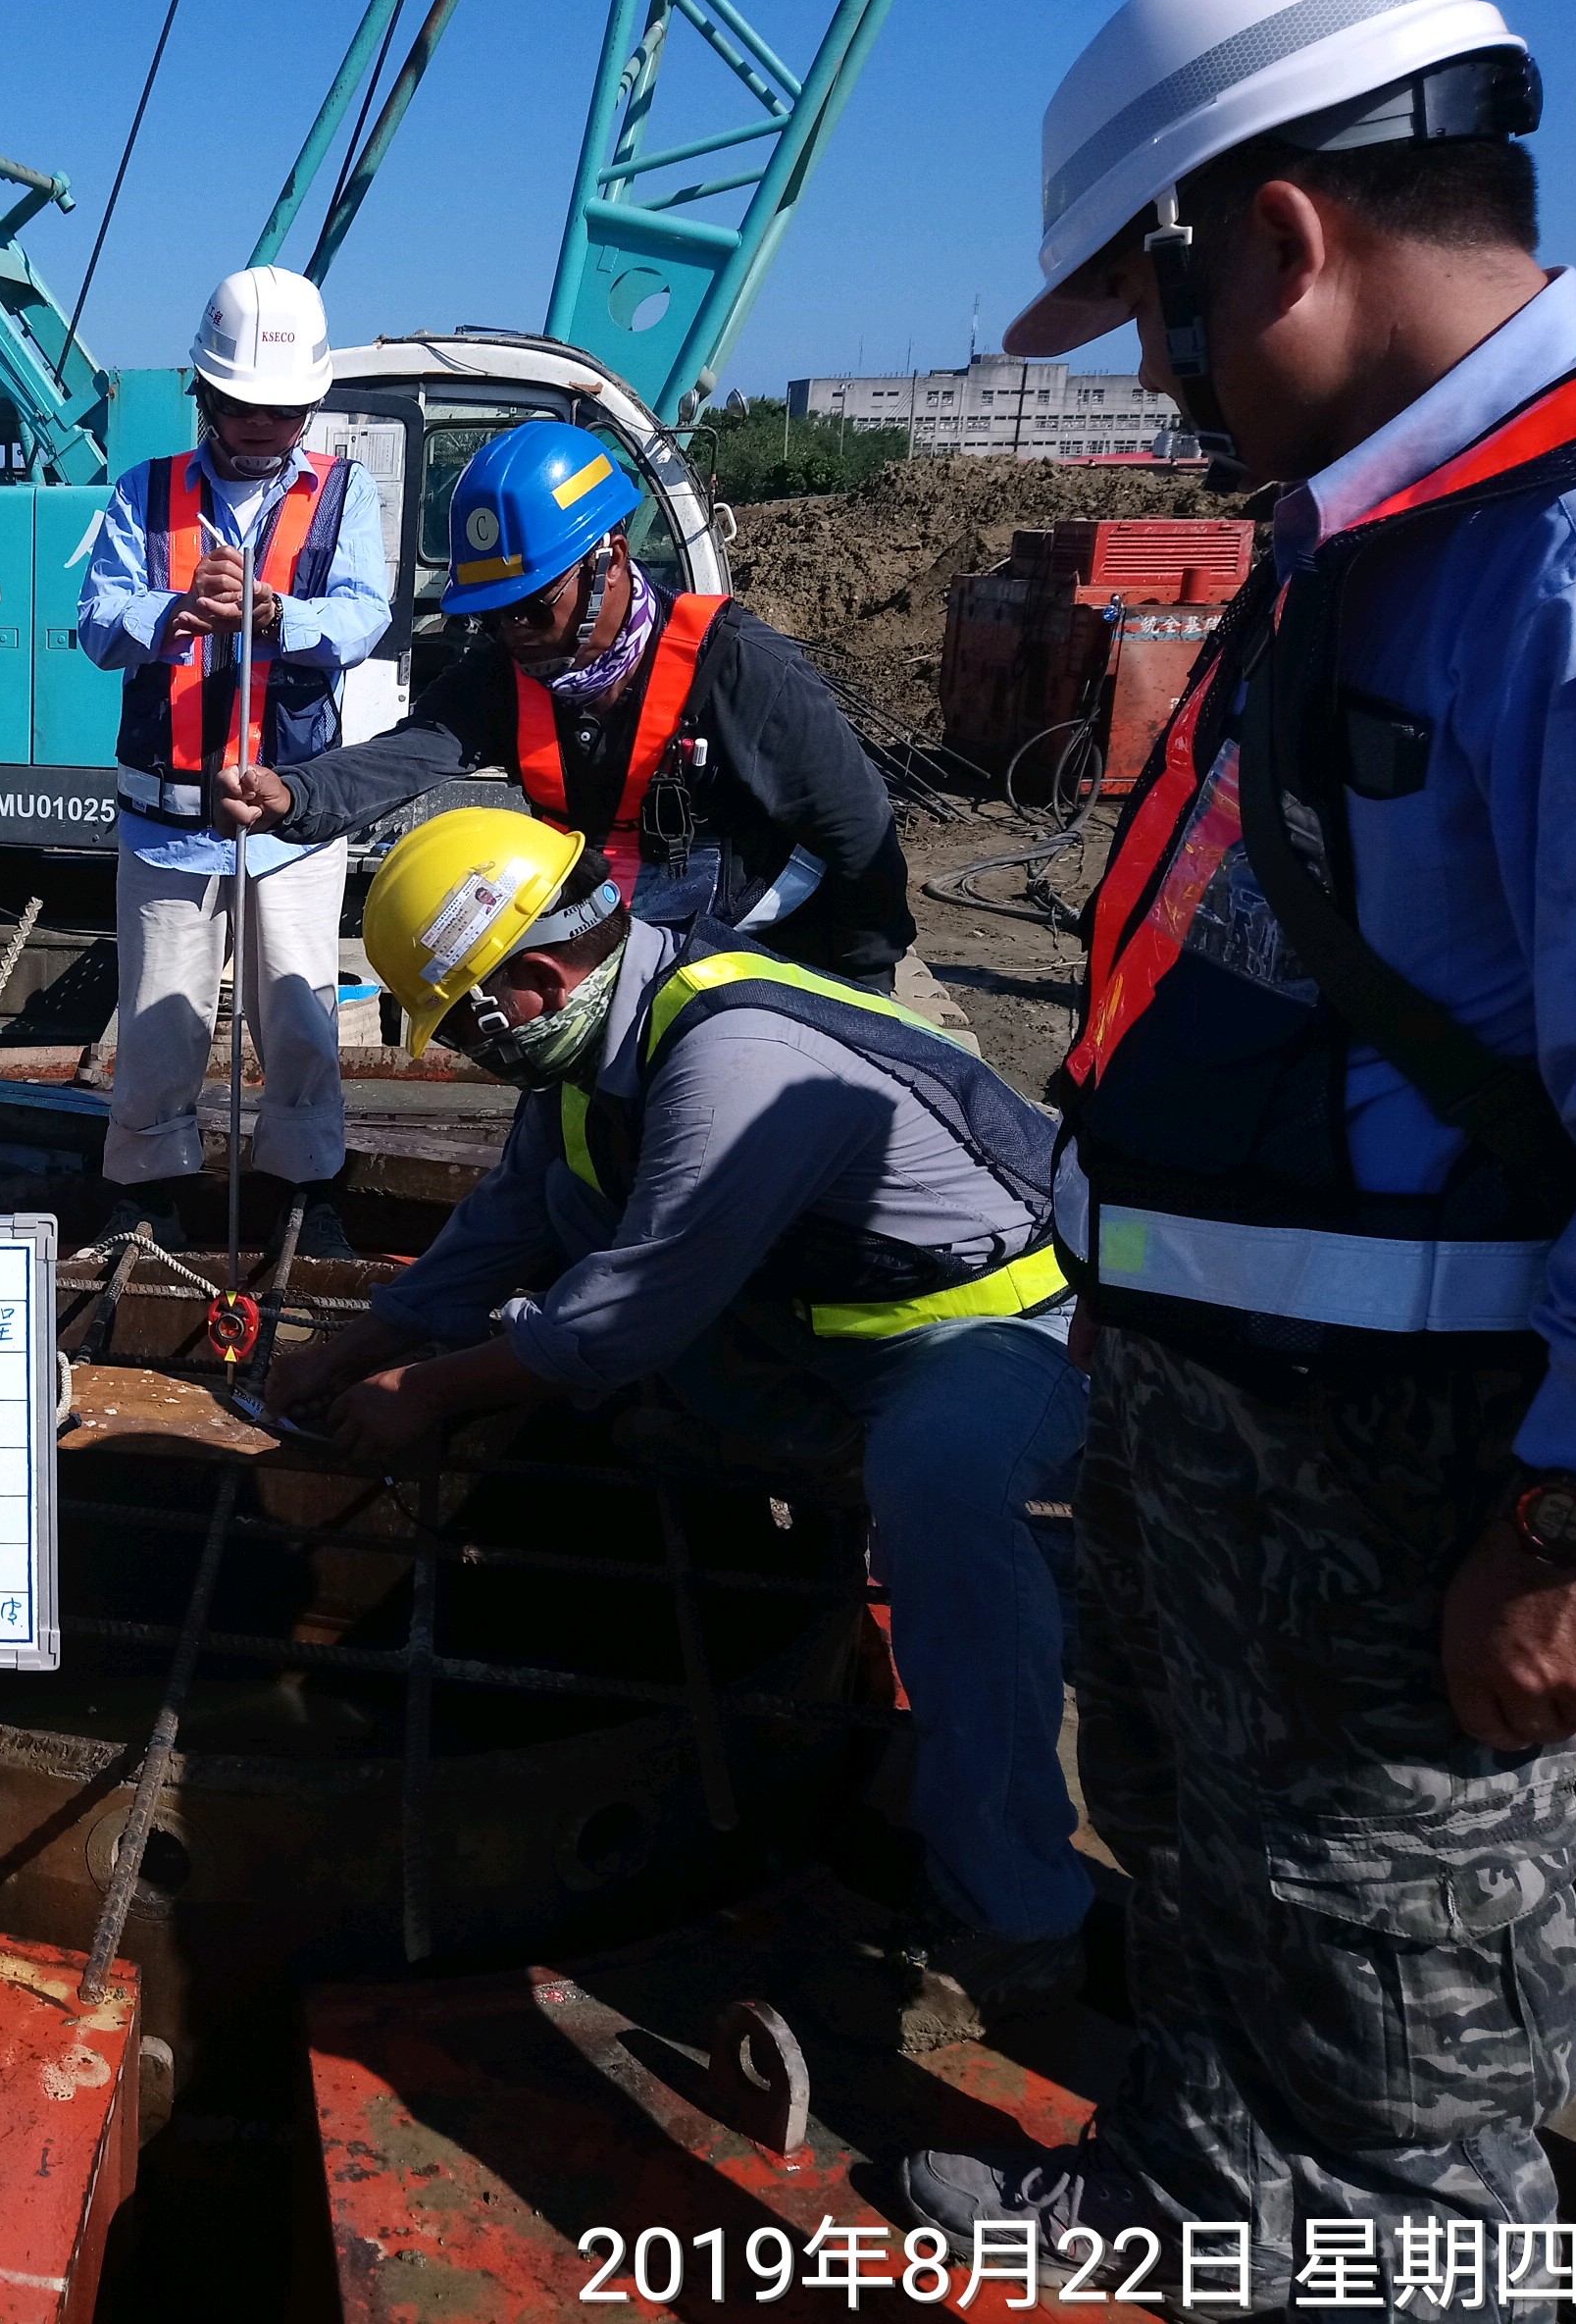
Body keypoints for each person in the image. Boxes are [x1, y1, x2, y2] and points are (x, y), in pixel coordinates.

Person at [894, 0, 1576, 2300]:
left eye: (1165, 312)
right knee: (1200, 1868)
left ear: (1278, 238)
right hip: (1227, 1416)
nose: (1171, 383)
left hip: (1432, 1467)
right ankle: (1193, 2206)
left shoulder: (1562, 565)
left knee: (1396, 2007)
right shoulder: (1365, 538)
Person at [268, 806, 1090, 2048]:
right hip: (819, 1320)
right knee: (576, 1258)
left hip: (998, 1330)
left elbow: (619, 1320)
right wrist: (365, 1340)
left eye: (474, 1030)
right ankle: (756, 1466)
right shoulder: (606, 1040)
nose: (484, 1057)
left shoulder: (734, 1057)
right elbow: (513, 1221)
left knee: (945, 1491)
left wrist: (430, 1393)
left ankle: (1021, 1910)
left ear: (534, 981)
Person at [214, 418, 913, 988]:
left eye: (531, 607)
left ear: (609, 557)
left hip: (761, 963)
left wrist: (858, 1000)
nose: (514, 632)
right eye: (491, 615)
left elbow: (856, 833)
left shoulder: (734, 667)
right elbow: (412, 752)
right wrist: (293, 795)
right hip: (623, 956)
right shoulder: (506, 673)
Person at [78, 266, 390, 1256]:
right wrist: (172, 612)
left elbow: (363, 615)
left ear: (310, 405)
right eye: (244, 405)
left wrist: (277, 615)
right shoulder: (148, 493)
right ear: (205, 393)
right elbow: (97, 621)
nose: (261, 425)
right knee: (162, 1024)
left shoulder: (347, 493)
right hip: (169, 821)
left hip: (291, 818)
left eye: (282, 409)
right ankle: (147, 1189)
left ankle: (307, 1186)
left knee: (298, 1017)